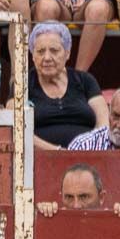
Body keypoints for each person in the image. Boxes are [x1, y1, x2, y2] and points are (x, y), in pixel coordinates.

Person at [24, 21, 107, 149]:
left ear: (67, 53)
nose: (46, 57)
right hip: (39, 159)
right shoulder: (22, 83)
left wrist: (88, 149)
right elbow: (15, 128)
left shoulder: (84, 80)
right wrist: (58, 152)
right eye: (40, 51)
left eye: (54, 51)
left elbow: (103, 124)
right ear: (33, 56)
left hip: (87, 159)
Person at [37, 163, 120, 216]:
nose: (76, 206)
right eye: (69, 197)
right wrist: (42, 214)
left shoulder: (114, 218)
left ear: (101, 197)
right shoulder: (54, 219)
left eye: (84, 197)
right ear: (61, 197)